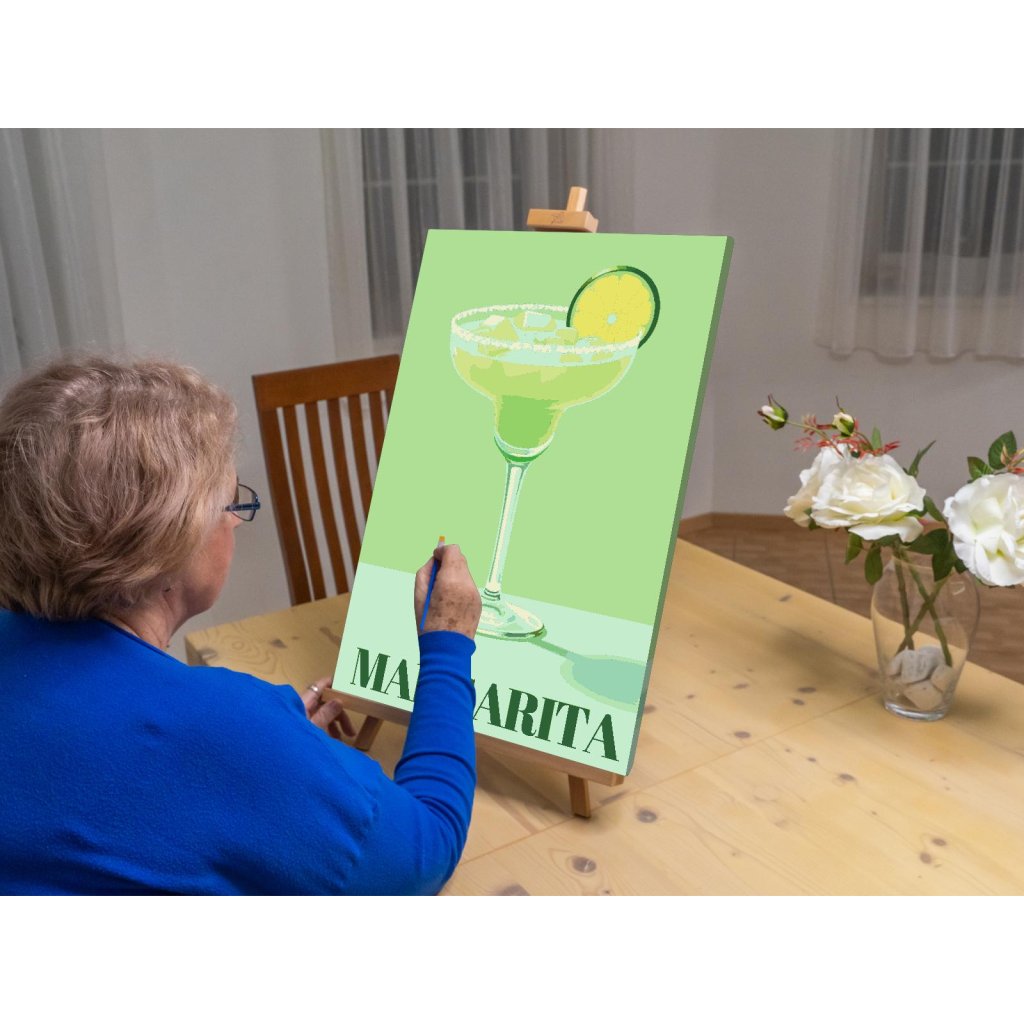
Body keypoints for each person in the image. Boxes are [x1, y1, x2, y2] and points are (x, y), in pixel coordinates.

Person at [0, 356, 482, 895]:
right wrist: (447, 642)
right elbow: (426, 847)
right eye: (231, 503)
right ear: (169, 542)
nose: (235, 521)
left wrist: (274, 752)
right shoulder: (221, 731)